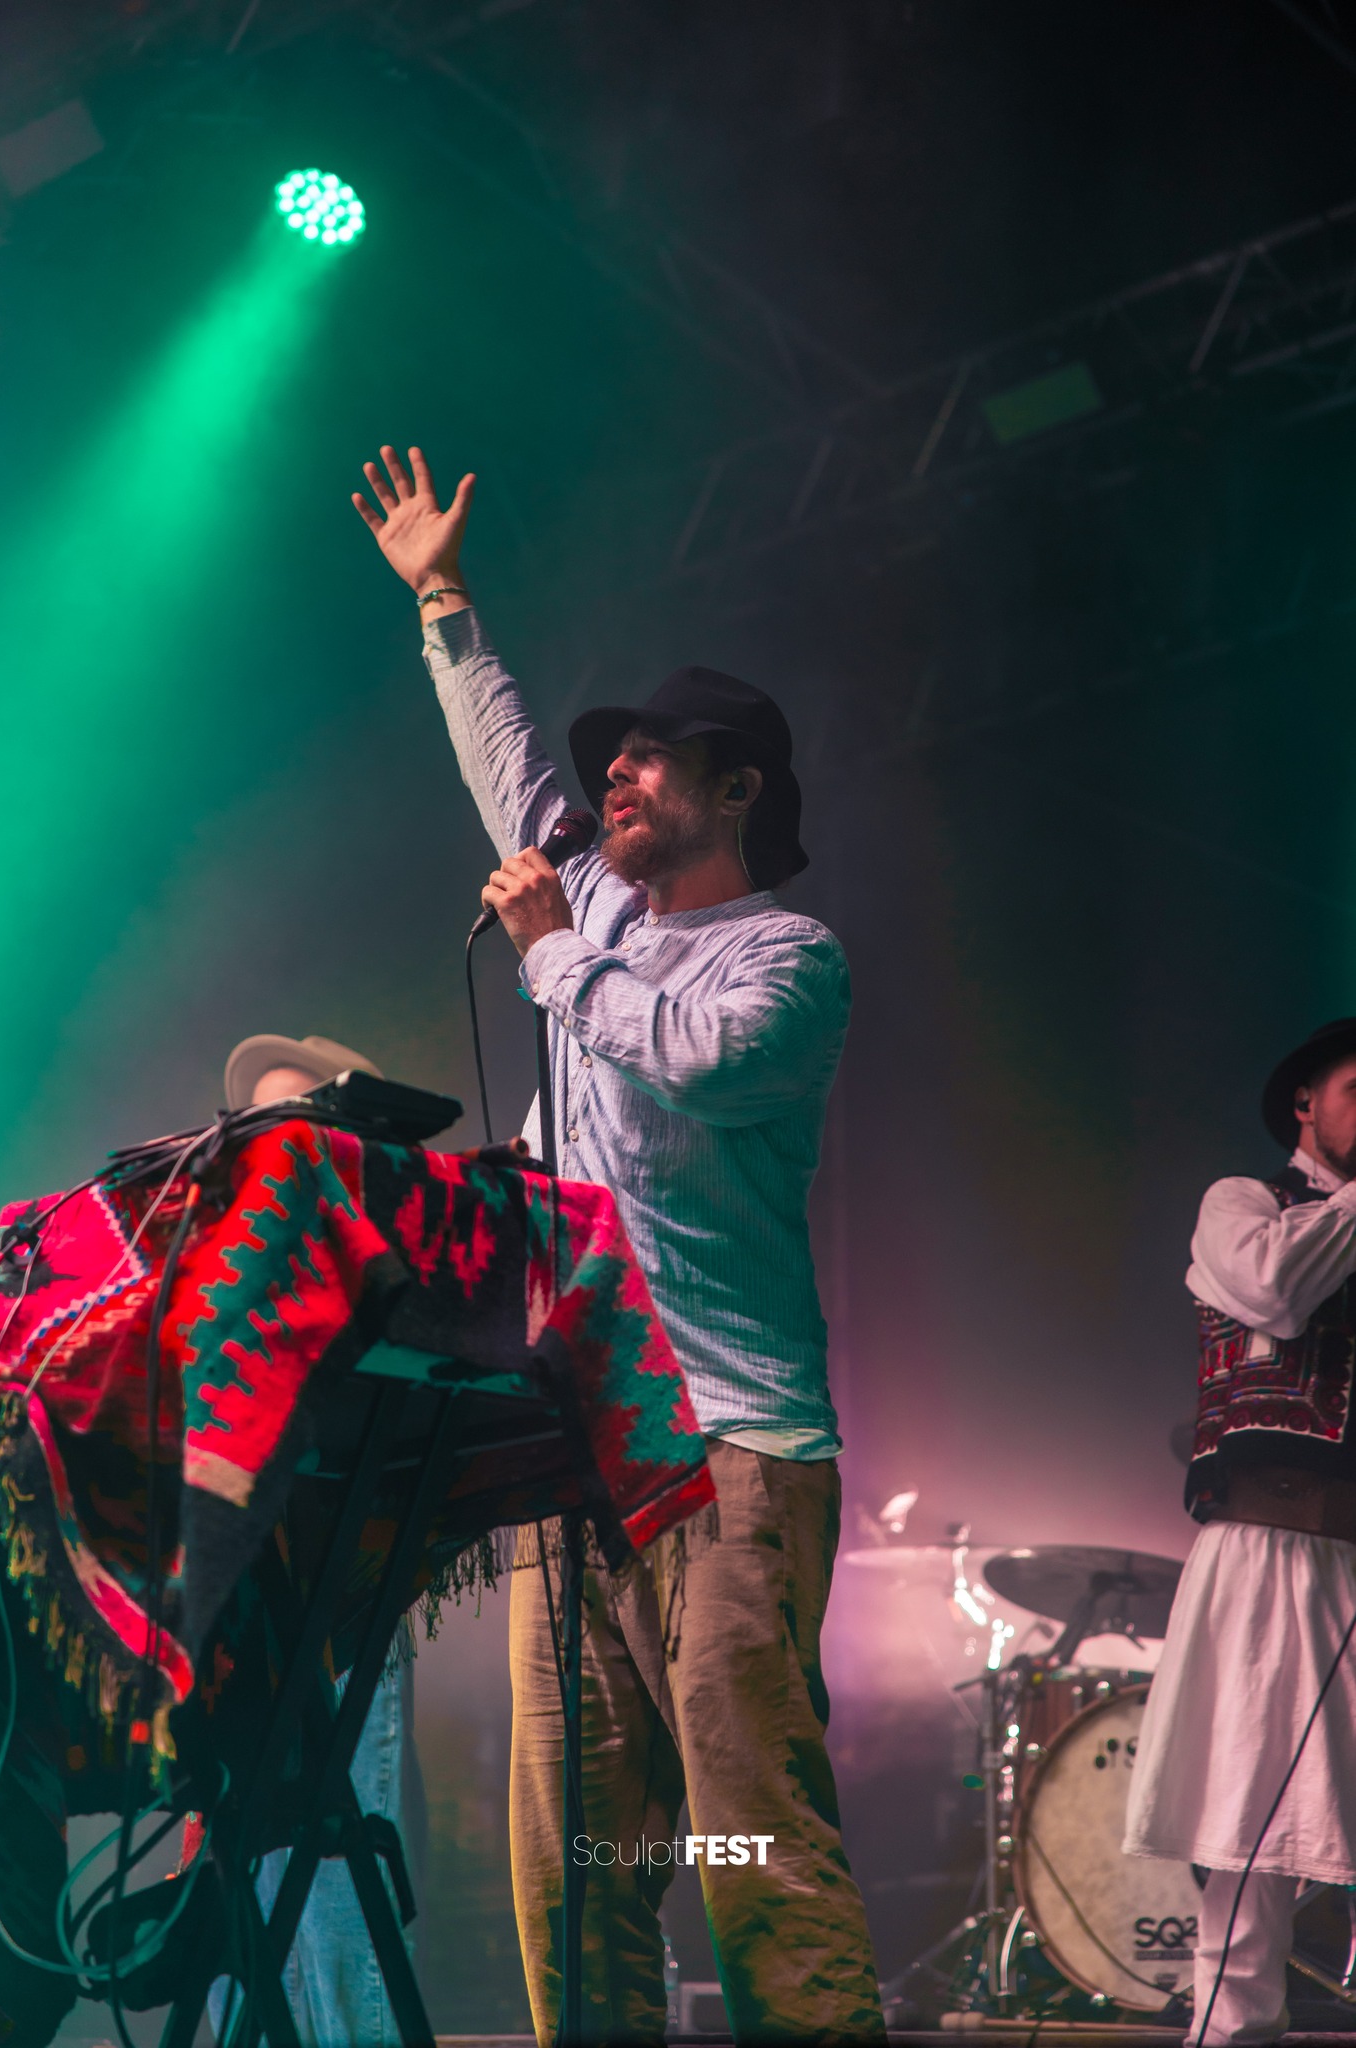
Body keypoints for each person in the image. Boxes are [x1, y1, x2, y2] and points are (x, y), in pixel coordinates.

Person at [351, 444, 884, 2045]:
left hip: (728, 1456)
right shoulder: (588, 900)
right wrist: (444, 600)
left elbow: (691, 1061)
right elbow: (505, 760)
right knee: (577, 1864)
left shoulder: (786, 960)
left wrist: (547, 954)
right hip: (565, 1456)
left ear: (739, 793)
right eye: (620, 759)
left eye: (657, 757)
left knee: (746, 1843)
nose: (621, 777)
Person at [1124, 1016, 1356, 2046]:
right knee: (1252, 1807)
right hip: (1274, 1538)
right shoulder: (1242, 1203)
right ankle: (1230, 2030)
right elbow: (1274, 1290)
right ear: (1304, 1104)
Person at [209, 1031, 429, 2048]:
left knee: (331, 1886)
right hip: (239, 1616)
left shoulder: (384, 1267)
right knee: (238, 1889)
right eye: (255, 1127)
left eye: (295, 1123)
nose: (270, 1144)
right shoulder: (224, 1268)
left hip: (340, 1604)